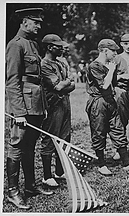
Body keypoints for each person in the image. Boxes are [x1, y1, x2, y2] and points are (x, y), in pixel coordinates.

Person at [5, 7, 53, 210]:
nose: (39, 26)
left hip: (35, 104)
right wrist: (19, 113)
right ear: (25, 22)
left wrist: (43, 106)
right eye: (36, 22)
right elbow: (12, 81)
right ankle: (13, 191)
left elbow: (37, 79)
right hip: (23, 107)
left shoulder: (32, 44)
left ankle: (31, 186)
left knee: (30, 145)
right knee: (17, 145)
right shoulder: (15, 45)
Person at [85, 39, 129, 176]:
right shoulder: (94, 66)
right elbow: (104, 86)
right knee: (99, 132)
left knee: (118, 129)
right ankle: (102, 164)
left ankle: (127, 163)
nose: (115, 53)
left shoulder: (110, 65)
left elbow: (113, 84)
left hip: (110, 101)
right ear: (104, 51)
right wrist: (111, 70)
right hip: (98, 102)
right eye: (113, 51)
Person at [40, 34, 75, 187]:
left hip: (65, 103)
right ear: (49, 47)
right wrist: (67, 82)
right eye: (58, 46)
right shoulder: (44, 64)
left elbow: (71, 85)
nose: (61, 49)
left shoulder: (59, 63)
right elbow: (59, 86)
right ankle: (47, 176)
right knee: (50, 138)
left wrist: (66, 84)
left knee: (65, 136)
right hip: (52, 105)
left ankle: (59, 171)